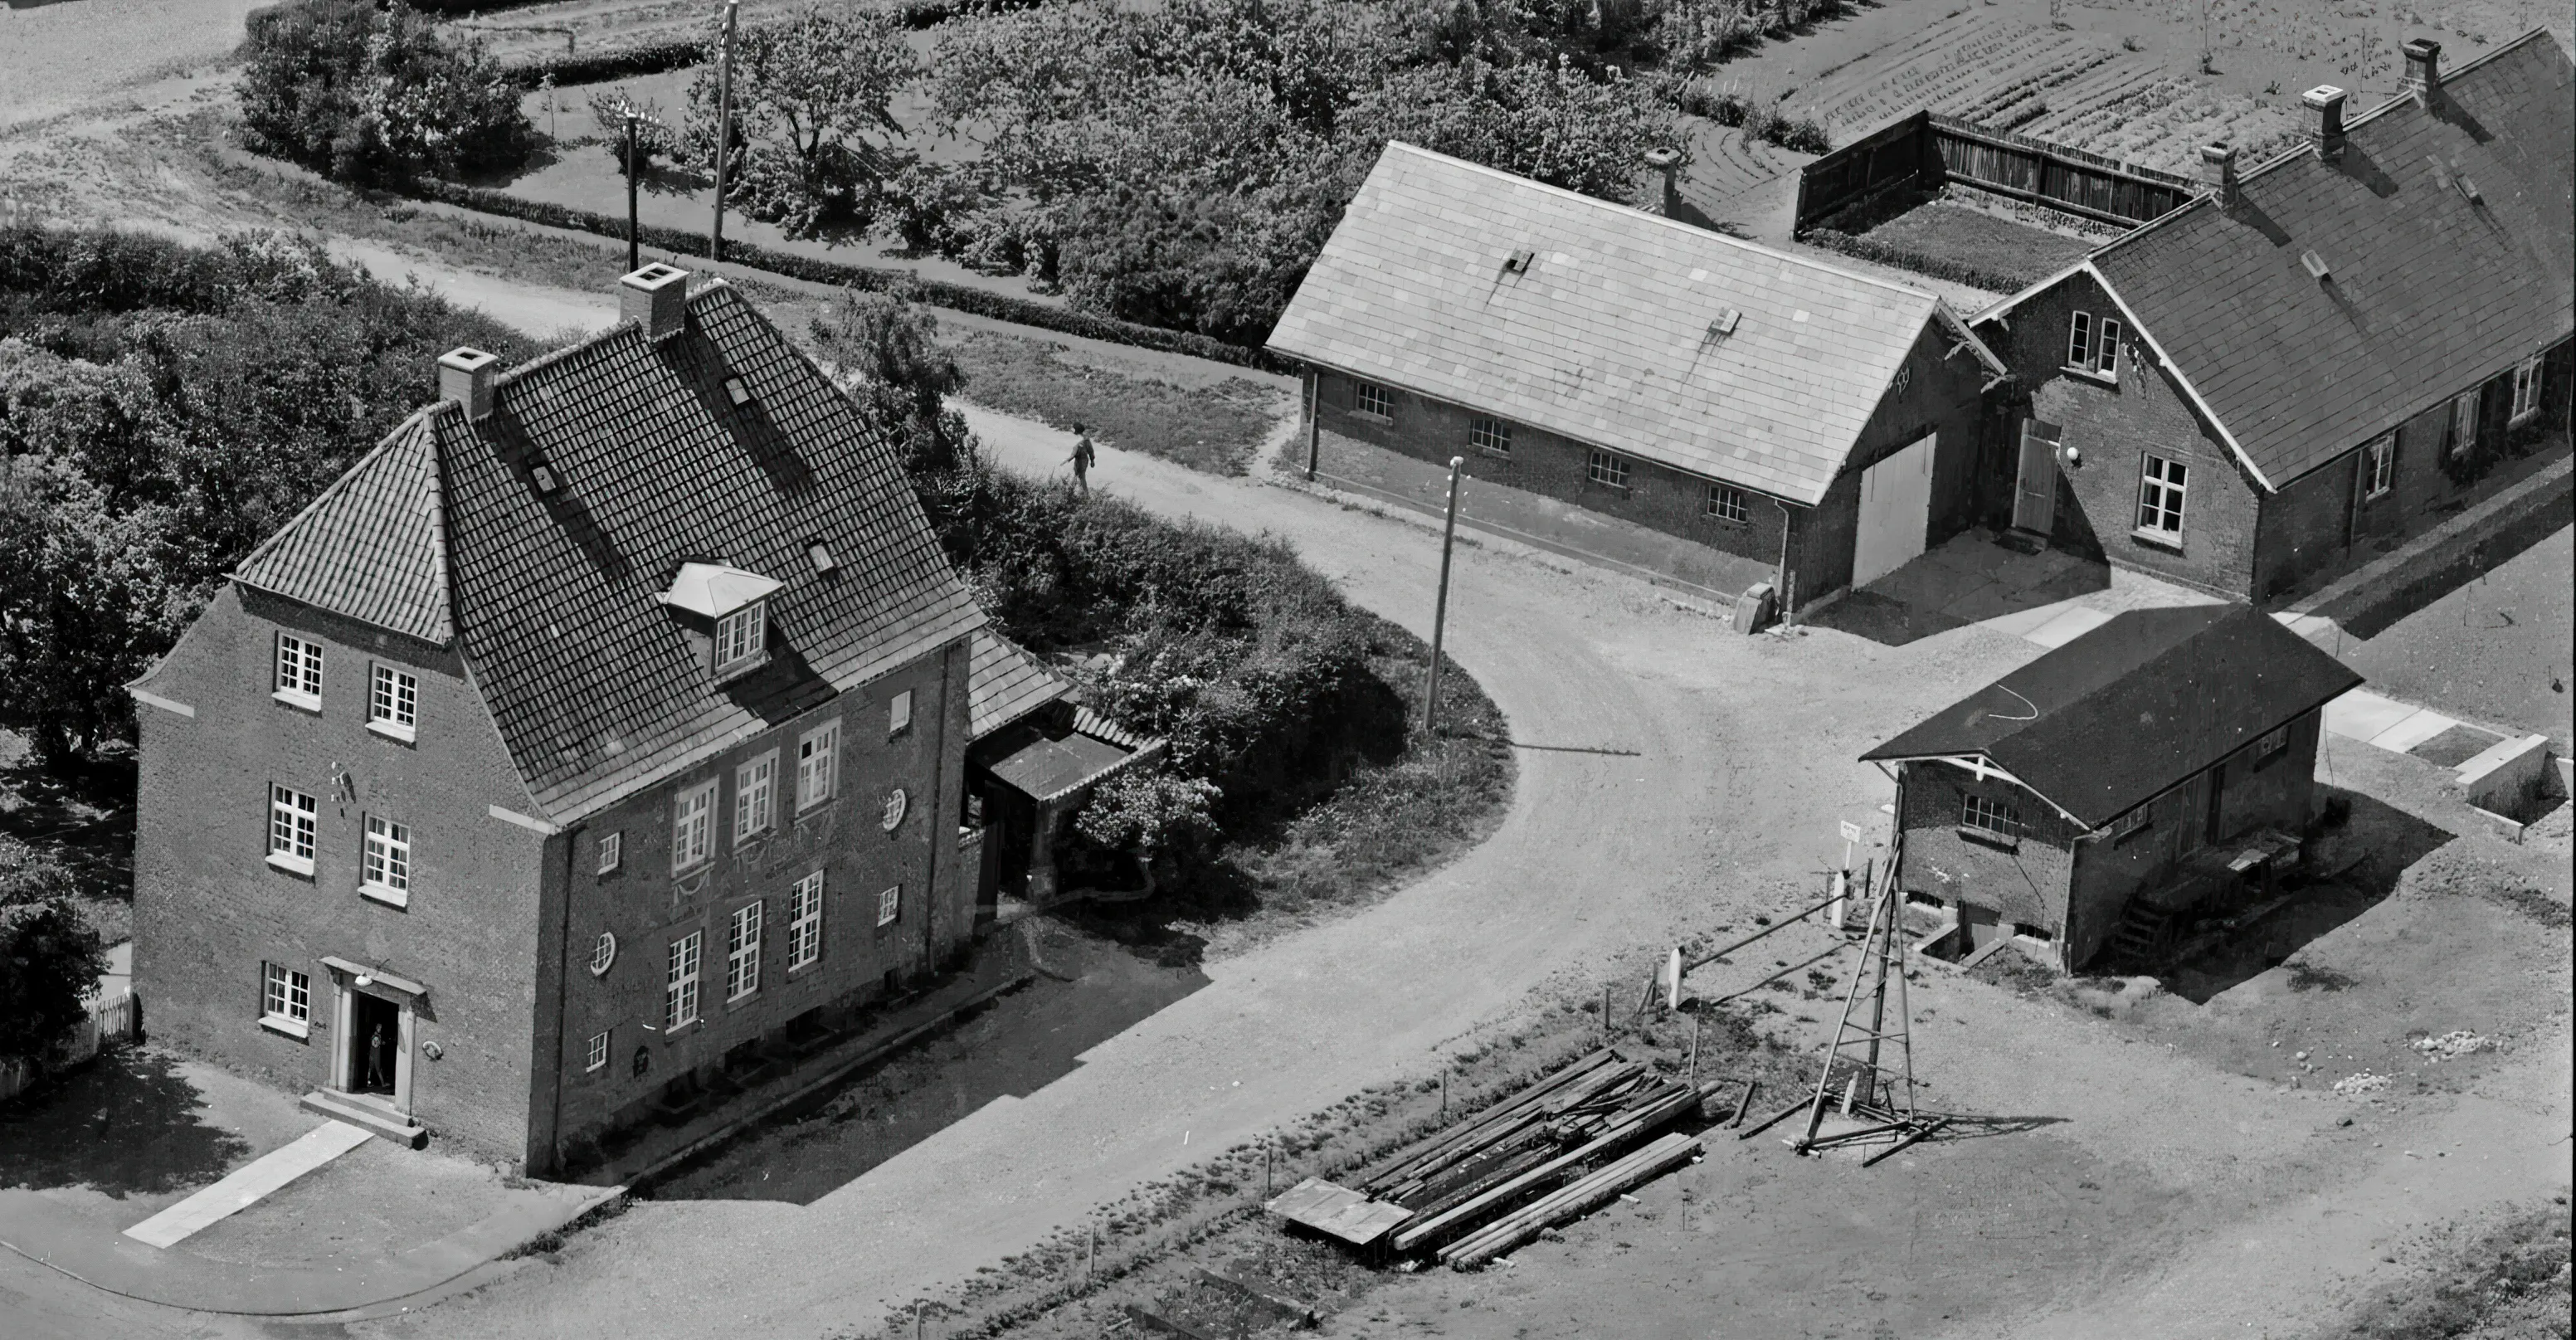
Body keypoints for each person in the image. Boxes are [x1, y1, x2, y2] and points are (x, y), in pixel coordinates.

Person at [1068, 423, 1096, 495]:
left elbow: (1090, 451)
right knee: (1077, 475)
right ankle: (1079, 492)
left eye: (1074, 430)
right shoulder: (1082, 439)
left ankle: (1085, 494)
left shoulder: (1085, 440)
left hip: (1082, 461)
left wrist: (1092, 461)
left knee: (1081, 477)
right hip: (1078, 460)